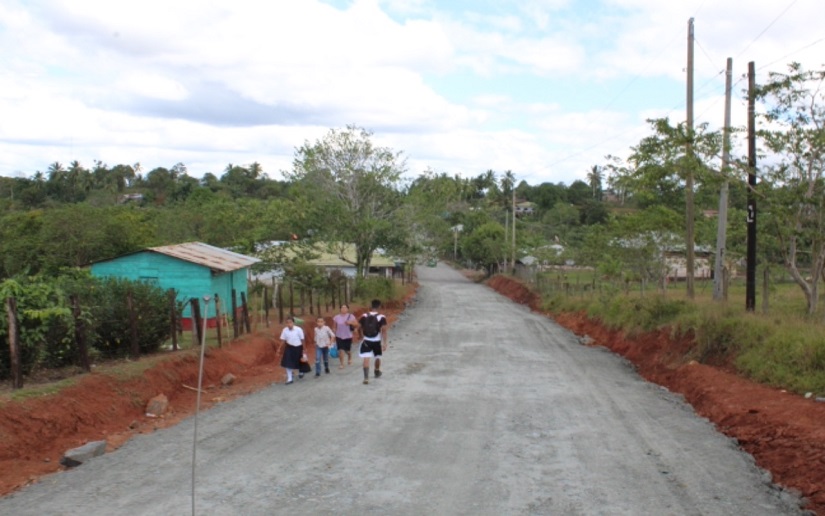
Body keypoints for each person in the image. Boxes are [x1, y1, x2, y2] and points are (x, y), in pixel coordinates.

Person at [357, 299, 388, 385]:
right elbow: (384, 330)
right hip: (377, 341)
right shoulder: (381, 317)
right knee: (377, 356)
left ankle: (366, 378)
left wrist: (361, 336)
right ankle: (376, 371)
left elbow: (358, 327)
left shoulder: (364, 316)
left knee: (366, 358)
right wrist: (384, 343)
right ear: (379, 307)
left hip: (366, 340)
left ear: (371, 306)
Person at [279, 316, 305, 385]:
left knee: (299, 361)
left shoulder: (298, 329)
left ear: (293, 323)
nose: (289, 324)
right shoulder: (284, 330)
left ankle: (301, 371)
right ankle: (290, 378)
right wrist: (279, 348)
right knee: (287, 363)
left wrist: (304, 349)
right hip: (289, 347)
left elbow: (302, 339)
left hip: (298, 347)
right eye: (287, 323)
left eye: (290, 322)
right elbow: (283, 340)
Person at [332, 304, 358, 368]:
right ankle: (341, 364)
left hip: (348, 336)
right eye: (342, 308)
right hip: (339, 336)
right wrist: (333, 333)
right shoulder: (336, 317)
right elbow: (334, 327)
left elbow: (356, 324)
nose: (343, 309)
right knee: (341, 350)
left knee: (347, 350)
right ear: (340, 309)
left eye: (345, 308)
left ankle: (349, 356)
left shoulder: (351, 316)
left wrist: (350, 323)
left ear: (347, 309)